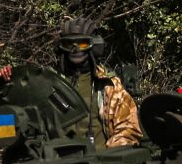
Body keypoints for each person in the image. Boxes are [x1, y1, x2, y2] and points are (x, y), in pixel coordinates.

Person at [56, 17, 141, 149]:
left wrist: (106, 160)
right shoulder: (50, 82)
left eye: (82, 44)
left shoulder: (108, 84)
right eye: (68, 44)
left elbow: (128, 128)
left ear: (94, 46)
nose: (75, 49)